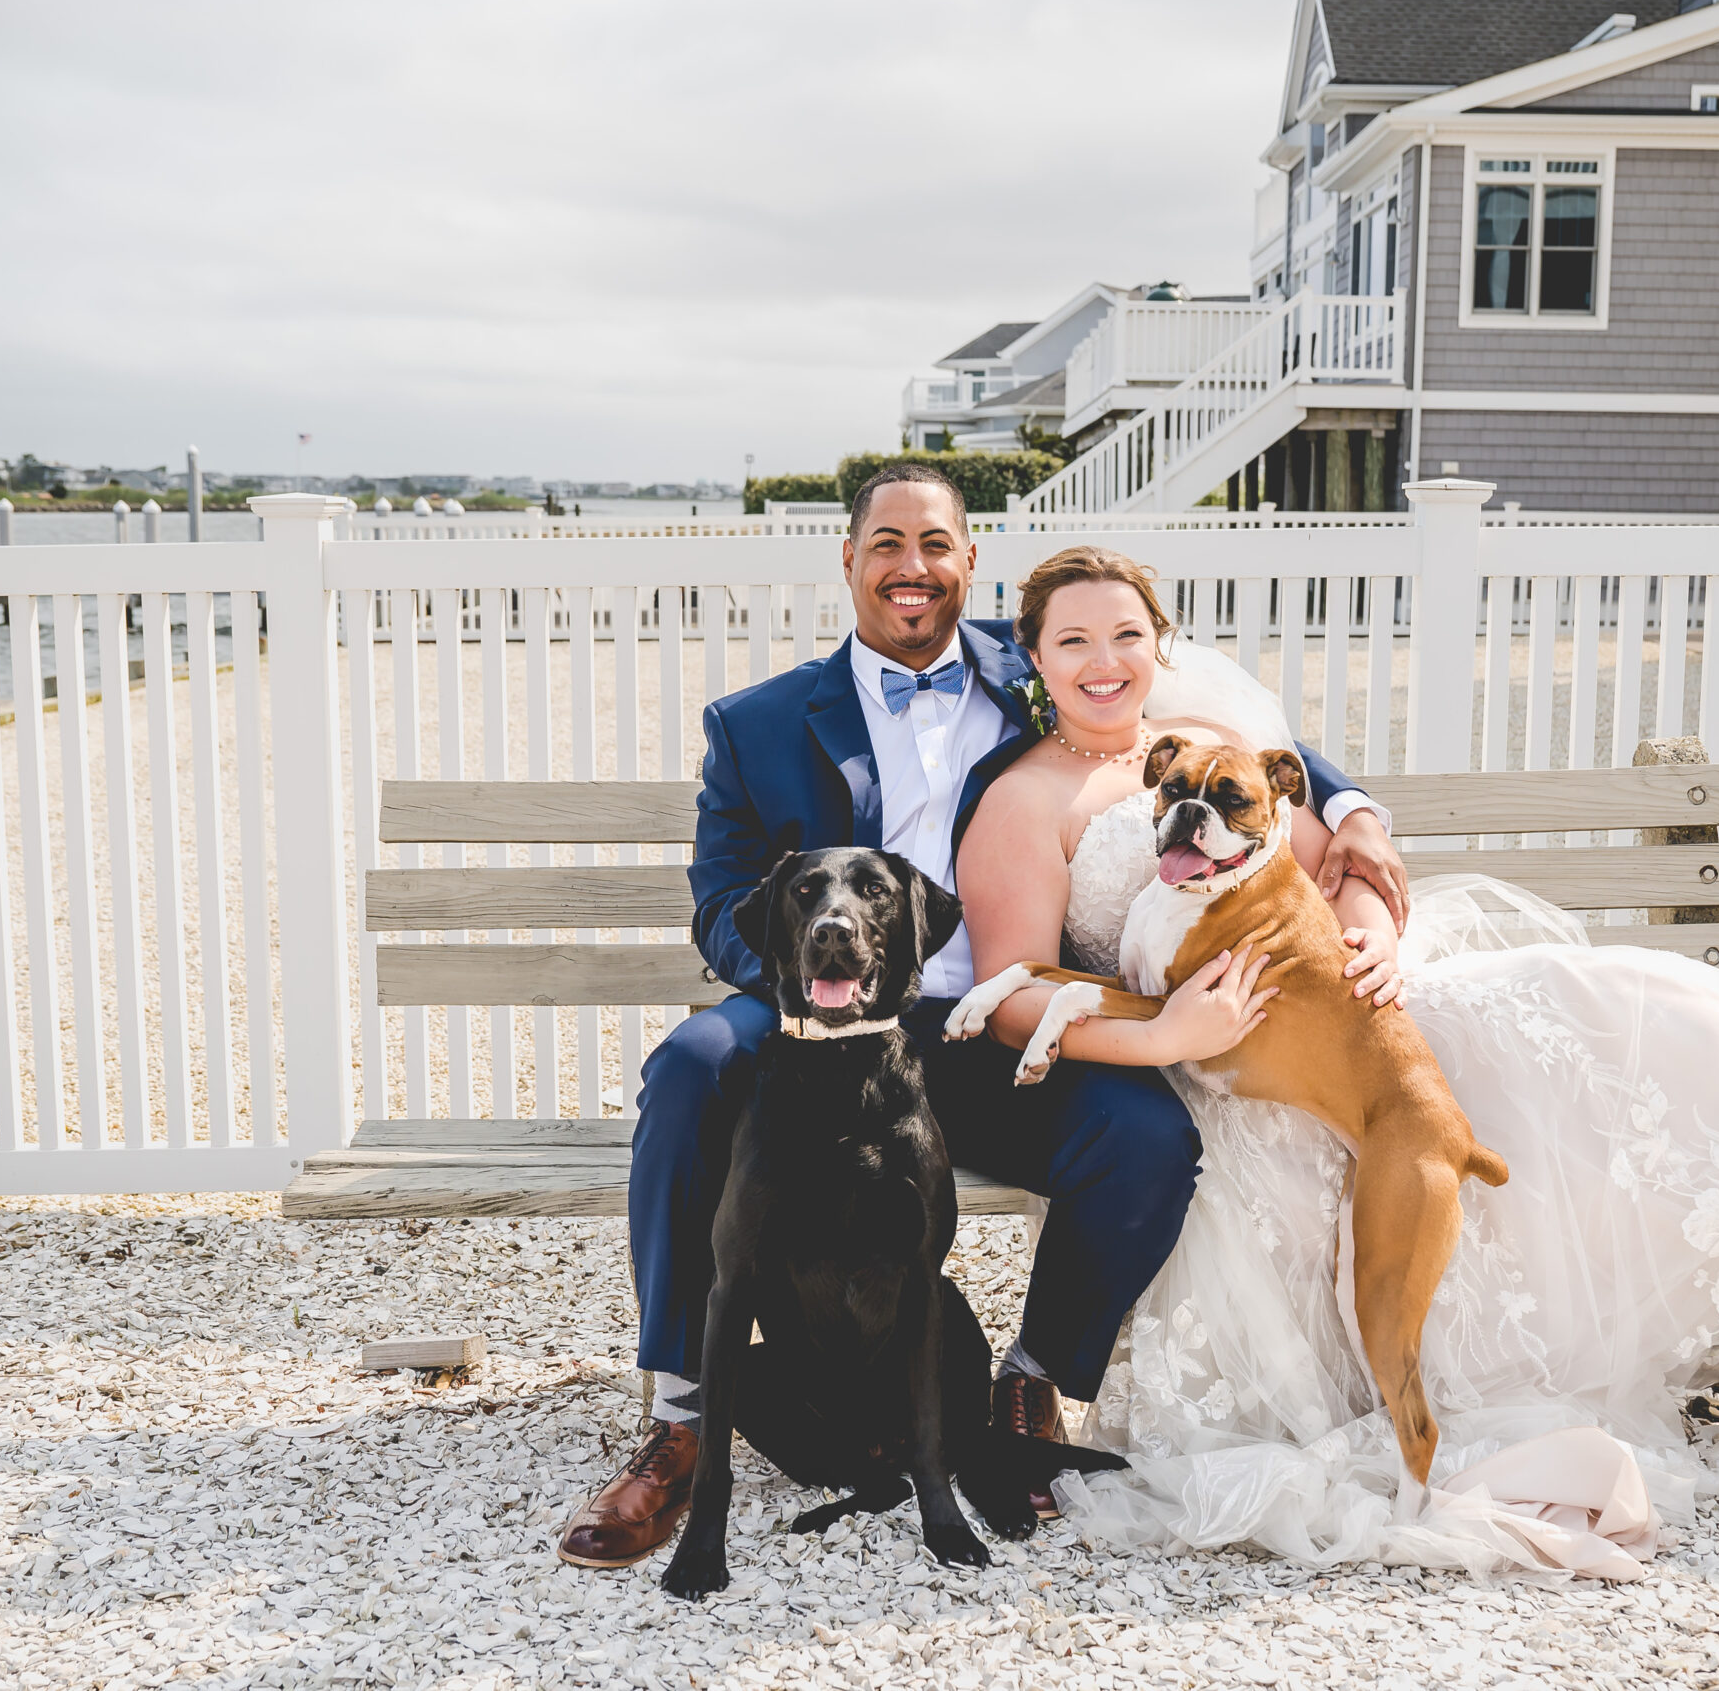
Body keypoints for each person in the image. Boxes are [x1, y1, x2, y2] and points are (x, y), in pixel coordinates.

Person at [952, 549, 1719, 1577]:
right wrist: (1161, 1037)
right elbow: (1018, 997)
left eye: (1127, 635)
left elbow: (1331, 830)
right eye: (1074, 642)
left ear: (1161, 643)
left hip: (1361, 991)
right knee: (1544, 1017)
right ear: (1033, 658)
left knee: (1574, 996)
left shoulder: (1209, 737)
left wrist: (1367, 910)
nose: (1105, 663)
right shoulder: (1024, 796)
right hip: (1236, 1057)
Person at [556, 466, 1410, 1569]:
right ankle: (677, 1418)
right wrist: (812, 982)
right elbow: (722, 902)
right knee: (688, 1065)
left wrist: (1350, 808)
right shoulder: (759, 724)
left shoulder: (1044, 661)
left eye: (937, 544)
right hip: (827, 1022)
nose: (912, 566)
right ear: (851, 559)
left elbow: (1209, 719)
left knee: (1148, 1137)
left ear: (970, 562)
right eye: (887, 543)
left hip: (989, 1022)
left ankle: (1033, 1385)